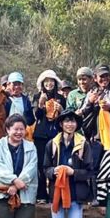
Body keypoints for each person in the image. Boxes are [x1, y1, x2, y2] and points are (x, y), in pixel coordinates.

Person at [43, 108, 92, 218]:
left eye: (73, 121)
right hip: (57, 194)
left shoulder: (83, 144)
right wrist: (53, 171)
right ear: (61, 123)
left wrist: (74, 172)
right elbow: (45, 168)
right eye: (66, 121)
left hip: (75, 194)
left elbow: (89, 171)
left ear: (77, 124)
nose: (70, 124)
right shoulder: (52, 144)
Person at [33, 69, 66, 201]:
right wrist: (41, 104)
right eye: (46, 81)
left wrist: (61, 110)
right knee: (41, 165)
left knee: (55, 163)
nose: (49, 84)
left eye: (51, 81)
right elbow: (37, 116)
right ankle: (41, 194)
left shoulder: (61, 98)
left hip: (56, 135)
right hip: (40, 136)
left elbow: (65, 119)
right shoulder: (37, 96)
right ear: (42, 83)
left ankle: (55, 194)